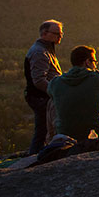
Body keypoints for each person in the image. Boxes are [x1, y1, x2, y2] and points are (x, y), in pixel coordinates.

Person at [47, 45, 99, 142]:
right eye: (94, 62)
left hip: (65, 136)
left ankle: (51, 139)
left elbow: (50, 93)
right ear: (87, 62)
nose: (95, 65)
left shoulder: (55, 83)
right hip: (95, 135)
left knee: (52, 102)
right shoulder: (98, 78)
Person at [23, 20, 63, 154]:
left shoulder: (46, 49)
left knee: (44, 129)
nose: (60, 36)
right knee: (43, 130)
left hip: (43, 96)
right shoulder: (39, 52)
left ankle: (37, 155)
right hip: (41, 97)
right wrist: (56, 92)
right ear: (45, 34)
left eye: (61, 33)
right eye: (57, 33)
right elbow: (39, 80)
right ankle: (34, 157)